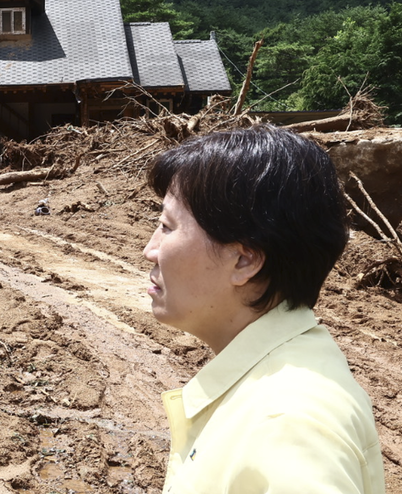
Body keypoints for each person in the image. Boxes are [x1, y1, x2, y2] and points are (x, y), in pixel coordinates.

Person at [142, 124, 384, 493]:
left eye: (167, 225)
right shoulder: (278, 389)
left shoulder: (288, 422)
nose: (150, 249)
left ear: (244, 261)